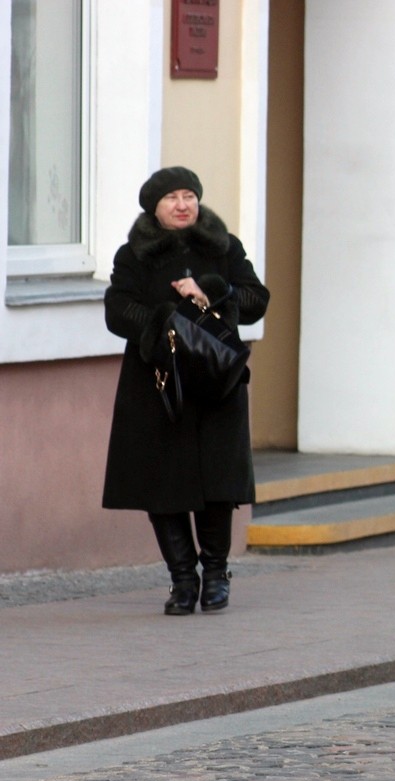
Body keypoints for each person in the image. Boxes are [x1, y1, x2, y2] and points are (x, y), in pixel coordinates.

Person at [102, 166, 269, 616]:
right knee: (163, 486)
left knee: (217, 485)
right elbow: (117, 310)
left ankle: (216, 575)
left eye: (189, 196)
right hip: (158, 385)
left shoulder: (224, 248)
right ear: (154, 207)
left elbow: (257, 300)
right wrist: (162, 322)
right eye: (172, 197)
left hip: (216, 383)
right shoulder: (133, 254)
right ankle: (182, 579)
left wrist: (212, 292)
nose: (183, 205)